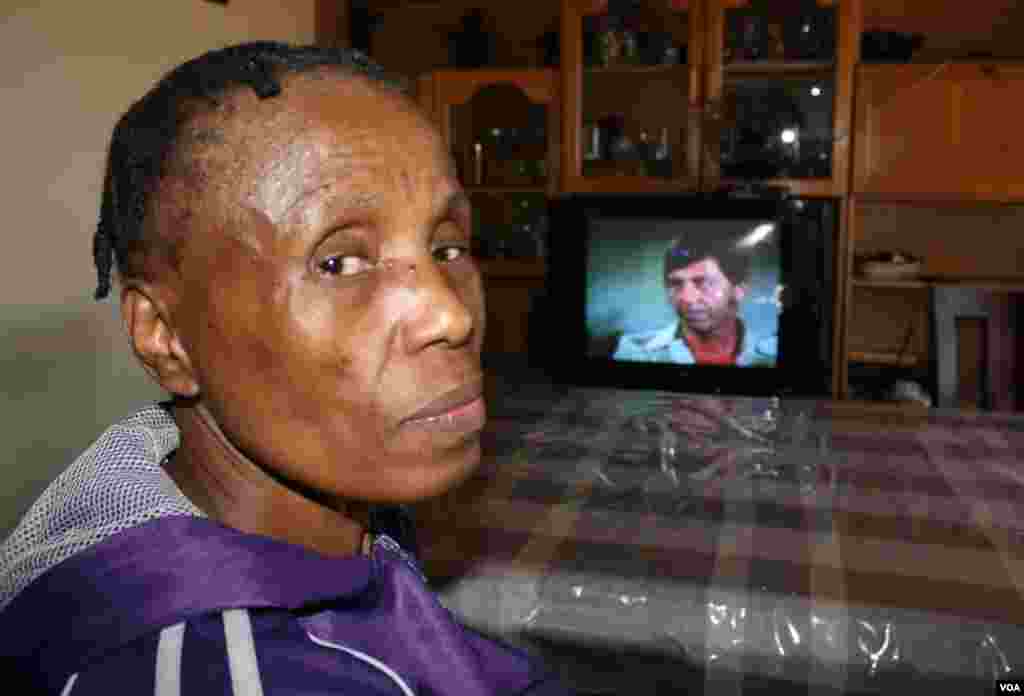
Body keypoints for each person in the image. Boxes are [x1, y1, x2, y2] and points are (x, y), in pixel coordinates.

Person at [0, 42, 571, 695]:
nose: (450, 314)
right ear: (165, 337)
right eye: (339, 264)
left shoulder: (324, 503)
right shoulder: (228, 674)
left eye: (448, 246)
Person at [613, 233, 775, 366]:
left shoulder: (772, 354)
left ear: (739, 290)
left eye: (703, 283)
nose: (687, 298)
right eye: (675, 283)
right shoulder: (636, 352)